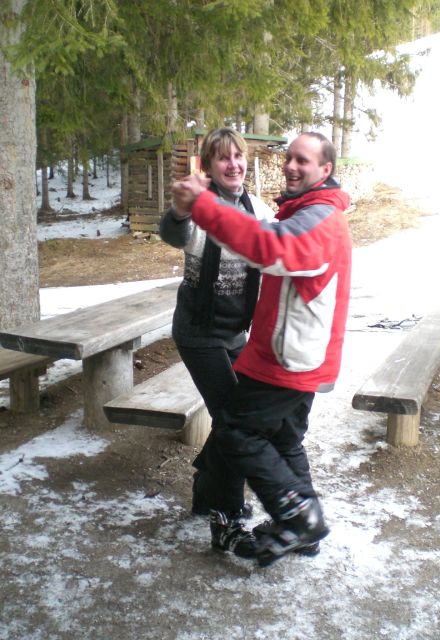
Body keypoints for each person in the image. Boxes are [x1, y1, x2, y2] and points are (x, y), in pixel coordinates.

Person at [172, 132, 352, 567]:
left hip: (285, 356)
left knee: (236, 430)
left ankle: (296, 518)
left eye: (303, 160)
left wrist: (206, 207)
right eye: (289, 157)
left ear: (325, 170)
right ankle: (293, 525)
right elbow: (174, 231)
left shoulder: (312, 218)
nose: (291, 166)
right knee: (280, 436)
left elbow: (270, 247)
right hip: (244, 342)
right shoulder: (301, 212)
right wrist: (188, 209)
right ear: (209, 165)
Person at [160, 128, 274, 556]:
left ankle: (206, 486)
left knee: (245, 413)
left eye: (238, 156)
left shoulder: (258, 209)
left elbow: (281, 250)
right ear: (208, 165)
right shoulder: (199, 207)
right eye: (223, 157)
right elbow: (173, 232)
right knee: (234, 419)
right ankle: (225, 516)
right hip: (198, 332)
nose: (233, 164)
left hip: (236, 331)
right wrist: (179, 208)